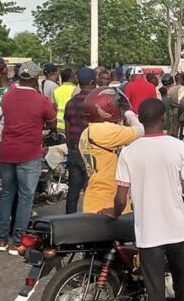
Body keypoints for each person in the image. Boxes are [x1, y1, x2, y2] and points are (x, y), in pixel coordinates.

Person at [109, 98, 184, 301]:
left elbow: (121, 197)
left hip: (149, 233)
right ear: (163, 118)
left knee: (155, 291)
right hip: (178, 230)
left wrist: (114, 213)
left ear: (139, 120)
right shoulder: (178, 146)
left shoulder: (128, 152)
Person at [0, 62, 56, 254]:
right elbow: (52, 121)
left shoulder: (8, 95)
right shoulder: (40, 100)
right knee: (25, 197)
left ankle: (1, 240)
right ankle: (17, 242)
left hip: (7, 151)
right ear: (35, 78)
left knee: (7, 194)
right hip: (29, 153)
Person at [80, 87, 143, 214]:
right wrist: (129, 113)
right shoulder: (105, 131)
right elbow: (140, 130)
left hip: (93, 196)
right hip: (109, 199)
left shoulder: (87, 131)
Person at [63, 68, 96, 214]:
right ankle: (90, 219)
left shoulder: (70, 103)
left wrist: (71, 148)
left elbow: (67, 129)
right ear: (93, 82)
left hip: (75, 149)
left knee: (73, 189)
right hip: (92, 149)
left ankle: (69, 219)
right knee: (91, 188)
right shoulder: (95, 102)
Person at [53, 68, 77, 132]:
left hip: (58, 124)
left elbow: (55, 107)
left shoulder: (56, 90)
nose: (76, 78)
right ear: (70, 78)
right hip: (70, 123)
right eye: (74, 76)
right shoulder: (75, 89)